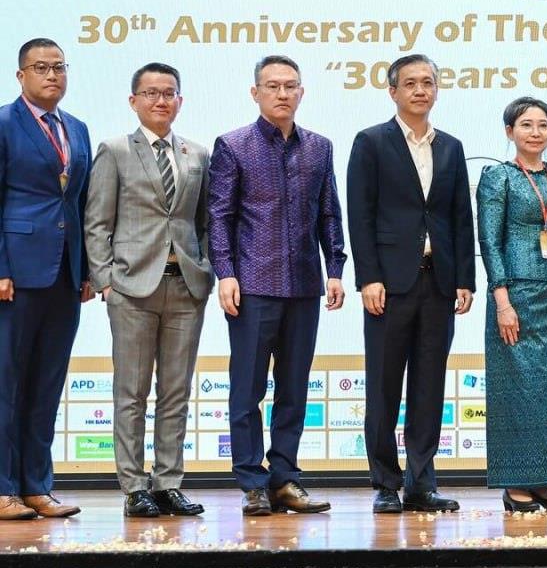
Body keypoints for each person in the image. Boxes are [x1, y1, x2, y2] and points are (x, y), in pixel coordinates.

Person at [209, 54, 346, 516]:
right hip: (252, 284)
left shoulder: (320, 147)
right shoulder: (233, 145)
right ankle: (252, 482)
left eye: (290, 86)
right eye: (273, 86)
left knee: (294, 389)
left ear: (302, 92)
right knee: (247, 389)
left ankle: (285, 478)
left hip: (305, 284)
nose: (282, 93)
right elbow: (219, 216)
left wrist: (335, 268)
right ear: (256, 93)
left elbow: (329, 212)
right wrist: (225, 272)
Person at [347, 54, 475, 515]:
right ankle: (385, 482)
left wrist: (464, 279)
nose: (420, 90)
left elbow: (460, 216)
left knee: (429, 386)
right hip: (389, 284)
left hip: (438, 282)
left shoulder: (451, 147)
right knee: (384, 386)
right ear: (393, 91)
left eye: (428, 83)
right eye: (411, 83)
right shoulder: (370, 142)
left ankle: (421, 483)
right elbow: (359, 215)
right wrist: (368, 277)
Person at [84, 62, 213, 518]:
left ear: (180, 100)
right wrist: (105, 282)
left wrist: (206, 269)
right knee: (132, 392)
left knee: (176, 391)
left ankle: (168, 483)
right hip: (132, 288)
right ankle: (134, 485)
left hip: (186, 287)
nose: (161, 100)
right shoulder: (115, 150)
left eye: (169, 93)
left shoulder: (197, 154)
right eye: (151, 93)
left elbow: (204, 222)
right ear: (133, 100)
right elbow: (96, 223)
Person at [476, 97, 547, 513]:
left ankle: (542, 481)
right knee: (517, 390)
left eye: (543, 124)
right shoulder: (498, 177)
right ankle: (515, 484)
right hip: (516, 295)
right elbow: (490, 241)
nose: (535, 132)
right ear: (510, 132)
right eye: (526, 125)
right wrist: (501, 300)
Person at [0, 39, 93, 520]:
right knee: (6, 383)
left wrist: (87, 269)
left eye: (59, 67)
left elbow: (80, 204)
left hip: (65, 274)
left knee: (47, 384)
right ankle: (3, 488)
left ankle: (37, 486)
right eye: (41, 67)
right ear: (21, 75)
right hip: (16, 273)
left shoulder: (76, 128)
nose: (52, 75)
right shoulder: (4, 123)